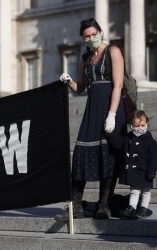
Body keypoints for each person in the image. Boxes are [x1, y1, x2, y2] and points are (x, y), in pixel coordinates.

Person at [54, 18, 126, 221]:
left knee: (108, 155)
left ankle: (104, 205)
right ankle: (75, 205)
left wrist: (112, 115)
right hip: (92, 109)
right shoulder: (85, 58)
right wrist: (69, 82)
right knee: (81, 153)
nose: (91, 37)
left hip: (112, 108)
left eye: (94, 34)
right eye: (87, 36)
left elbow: (118, 86)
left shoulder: (113, 51)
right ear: (83, 38)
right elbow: (80, 88)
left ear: (100, 32)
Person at [105, 110, 157, 219]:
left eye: (143, 125)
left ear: (147, 124)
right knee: (134, 190)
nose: (140, 128)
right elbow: (118, 143)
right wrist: (109, 133)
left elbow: (153, 159)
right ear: (131, 126)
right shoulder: (128, 138)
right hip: (133, 172)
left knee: (145, 191)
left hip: (145, 171)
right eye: (136, 126)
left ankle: (143, 208)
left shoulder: (151, 142)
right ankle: (132, 207)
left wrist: (152, 172)